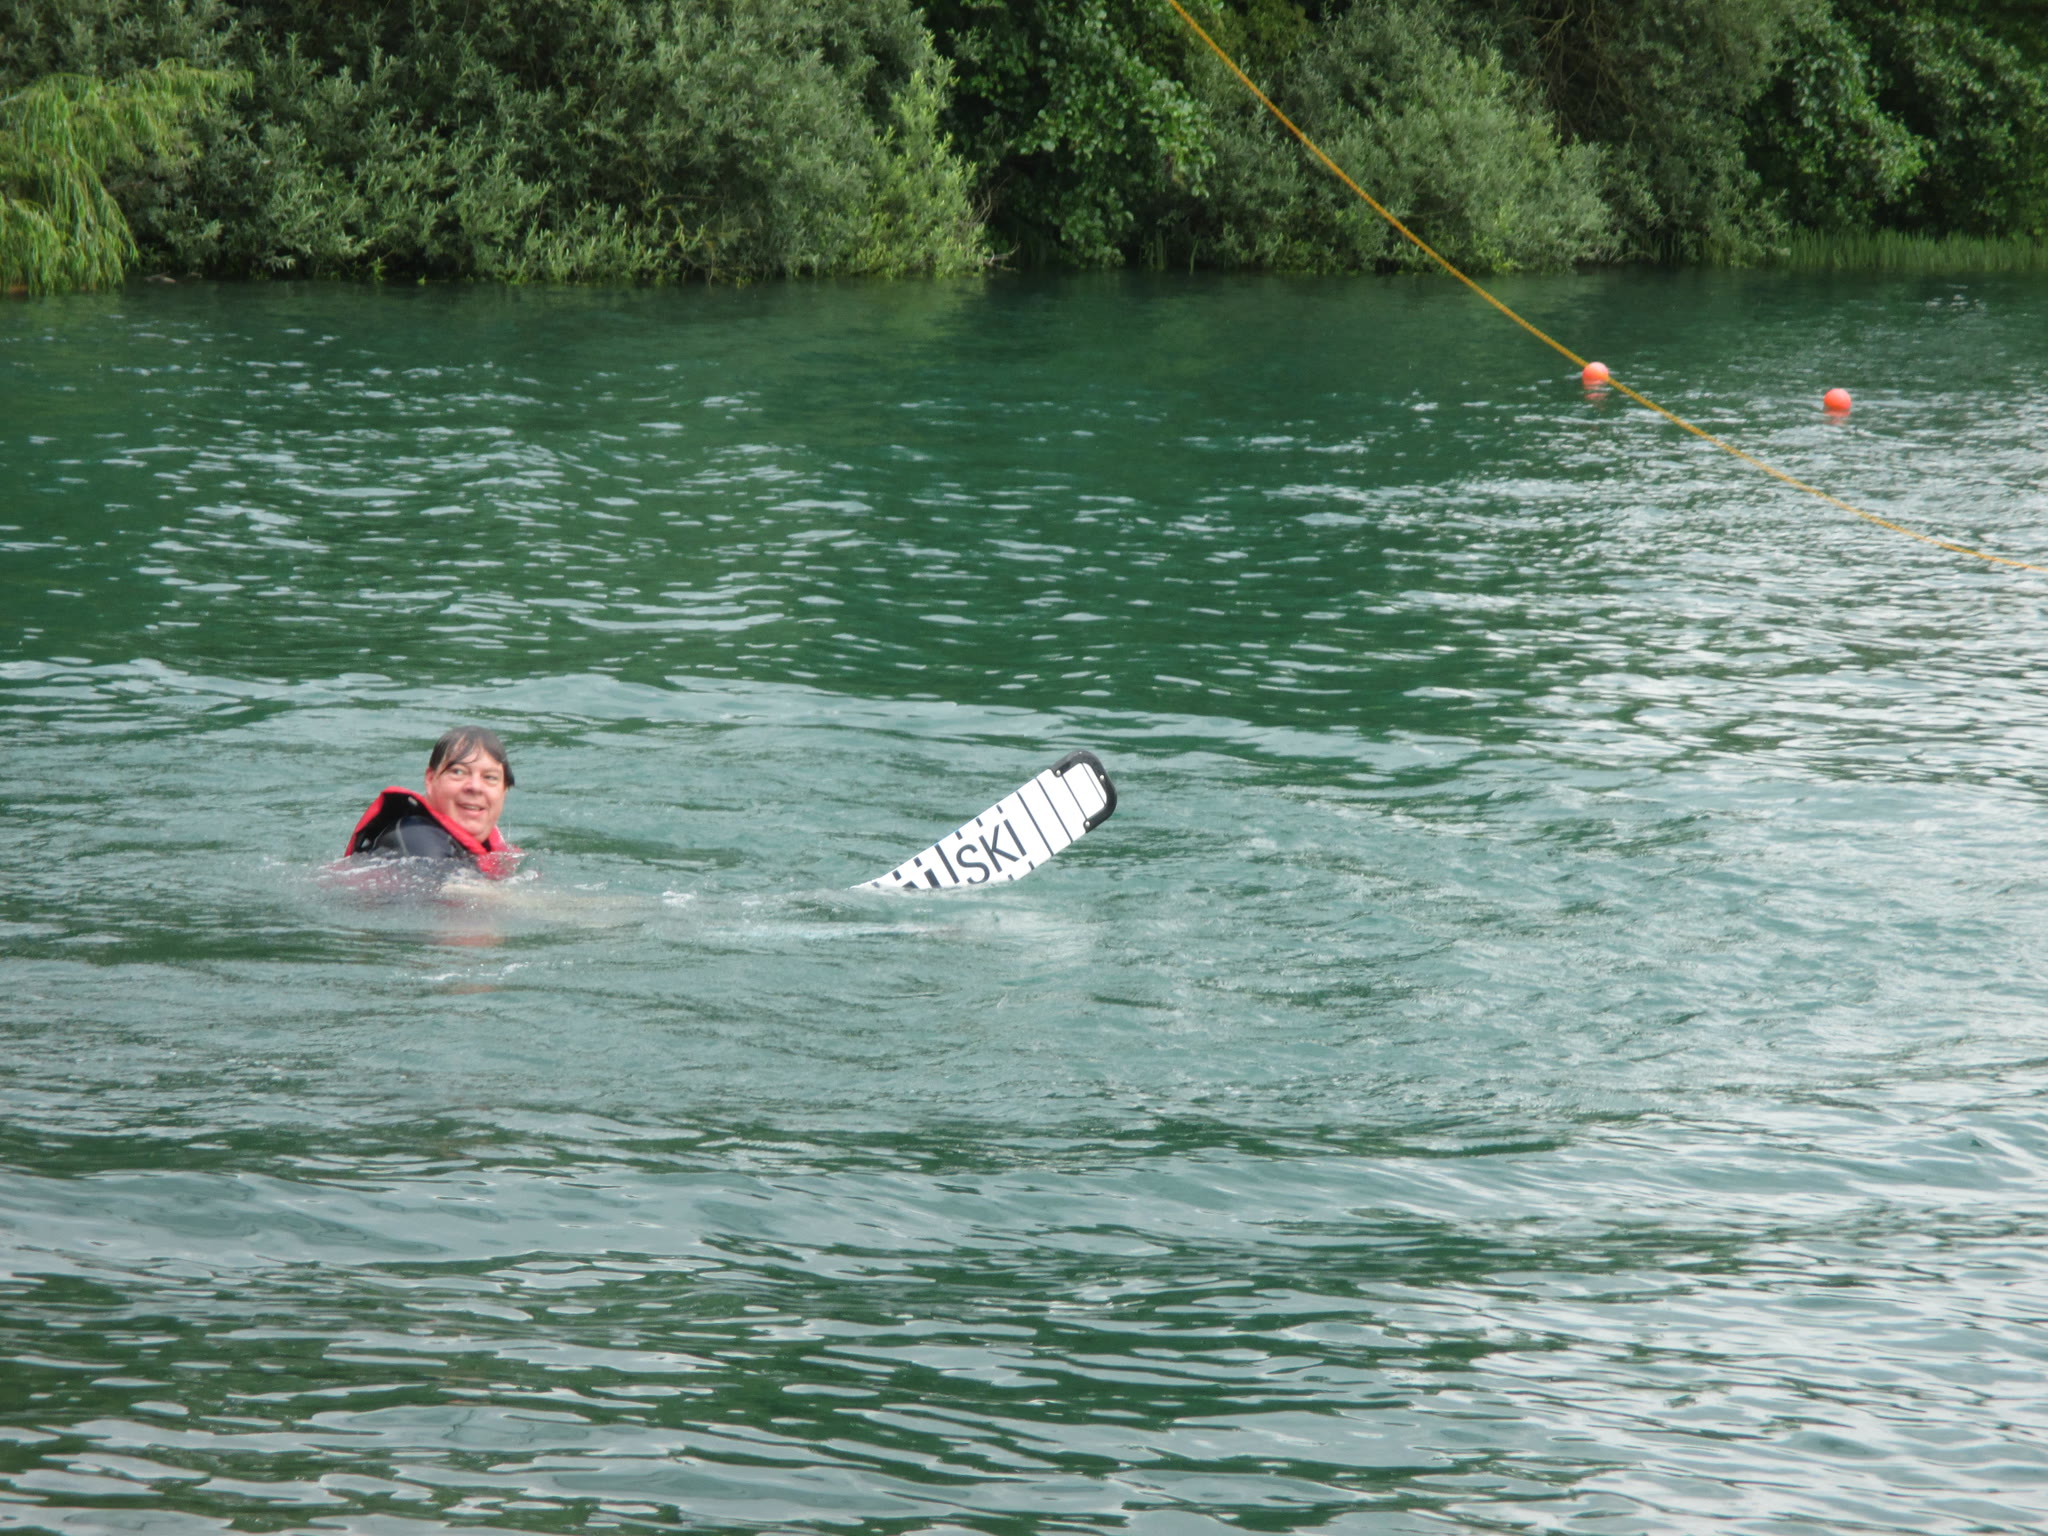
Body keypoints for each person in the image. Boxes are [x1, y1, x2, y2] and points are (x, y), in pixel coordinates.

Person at [344, 726, 521, 877]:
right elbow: (456, 893)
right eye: (458, 772)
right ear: (430, 779)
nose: (475, 786)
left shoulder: (486, 847)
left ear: (504, 789)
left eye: (490, 777)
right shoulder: (417, 840)